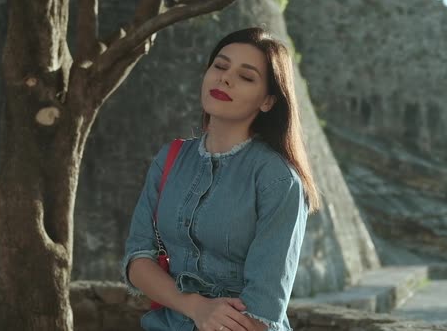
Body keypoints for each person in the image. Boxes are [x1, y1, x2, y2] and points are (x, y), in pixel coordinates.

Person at [121, 27, 320, 331]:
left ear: (267, 101)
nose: (225, 78)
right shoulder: (171, 158)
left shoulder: (279, 180)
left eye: (246, 76)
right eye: (221, 66)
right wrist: (195, 306)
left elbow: (263, 314)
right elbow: (138, 260)